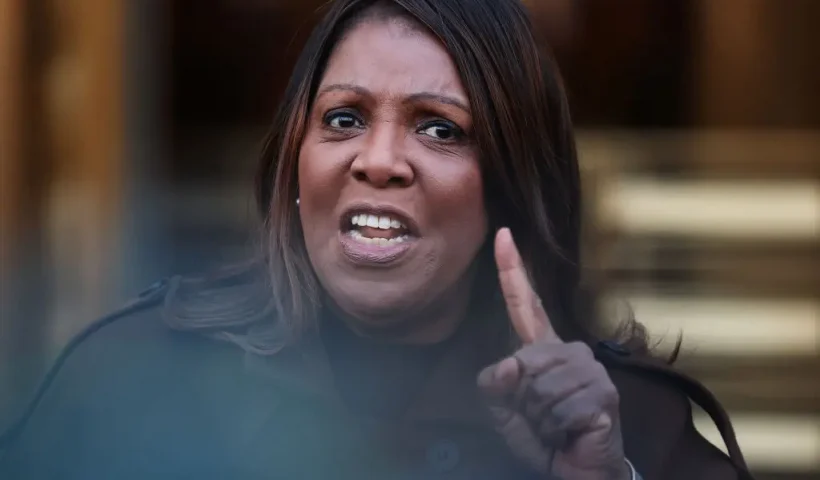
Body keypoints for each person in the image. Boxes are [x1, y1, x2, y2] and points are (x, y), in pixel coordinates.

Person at [0, 0, 752, 478]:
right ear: (295, 162)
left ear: (510, 189)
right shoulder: (136, 374)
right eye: (344, 118)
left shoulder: (618, 422)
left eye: (439, 128)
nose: (380, 160)